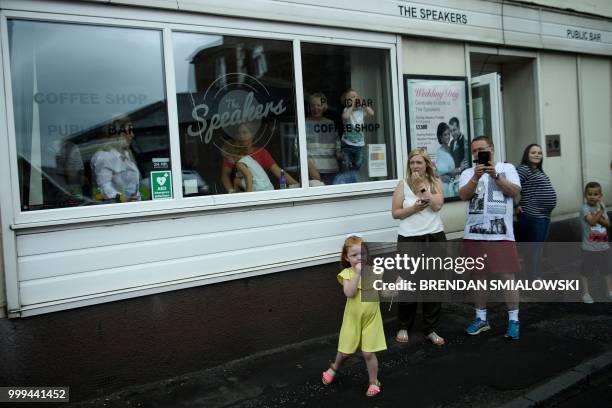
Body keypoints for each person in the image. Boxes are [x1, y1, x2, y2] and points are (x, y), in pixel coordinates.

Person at [458, 136, 522, 340]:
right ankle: (481, 318)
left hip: (501, 233)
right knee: (478, 278)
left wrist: (495, 175)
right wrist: (476, 178)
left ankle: (514, 320)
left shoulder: (507, 168)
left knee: (506, 277)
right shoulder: (468, 172)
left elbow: (514, 192)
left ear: (491, 149)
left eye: (481, 149)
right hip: (474, 233)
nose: (477, 154)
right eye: (474, 151)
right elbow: (463, 195)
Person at [391, 148, 446, 346]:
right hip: (409, 239)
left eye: (419, 163)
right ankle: (403, 325)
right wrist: (413, 208)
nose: (415, 166)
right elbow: (395, 213)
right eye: (412, 163)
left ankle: (430, 329)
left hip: (433, 237)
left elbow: (437, 205)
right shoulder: (402, 185)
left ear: (426, 165)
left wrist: (423, 188)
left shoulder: (435, 182)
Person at [321, 235, 386, 397]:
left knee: (368, 353)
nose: (359, 258)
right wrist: (357, 274)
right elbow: (349, 293)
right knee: (345, 352)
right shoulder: (346, 274)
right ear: (346, 257)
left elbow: (383, 292)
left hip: (372, 319)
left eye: (362, 254)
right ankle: (334, 368)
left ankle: (373, 381)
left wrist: (394, 290)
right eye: (354, 255)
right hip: (352, 320)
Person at [516, 144, 557, 280]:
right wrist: (515, 205)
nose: (537, 155)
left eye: (539, 152)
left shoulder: (538, 171)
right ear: (527, 154)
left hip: (544, 215)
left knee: (538, 248)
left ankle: (536, 275)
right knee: (534, 248)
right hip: (532, 214)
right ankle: (534, 277)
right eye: (533, 152)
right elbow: (511, 186)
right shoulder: (523, 169)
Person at [221, 122, 297, 193]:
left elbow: (279, 172)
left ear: (252, 135)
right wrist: (231, 192)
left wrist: (297, 185)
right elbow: (225, 176)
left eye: (244, 133)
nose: (241, 136)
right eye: (239, 133)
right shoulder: (232, 154)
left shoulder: (260, 153)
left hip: (257, 192)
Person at [91, 117, 141, 202]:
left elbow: (134, 185)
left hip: (134, 206)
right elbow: (105, 189)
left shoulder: (125, 153)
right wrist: (123, 198)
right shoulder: (103, 156)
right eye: (129, 131)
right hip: (116, 209)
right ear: (117, 135)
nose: (132, 135)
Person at [579, 182, 612, 303]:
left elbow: (608, 224)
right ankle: (585, 293)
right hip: (589, 248)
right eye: (589, 194)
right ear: (585, 195)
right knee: (586, 271)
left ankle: (609, 291)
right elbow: (592, 222)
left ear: (600, 196)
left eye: (595, 194)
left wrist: (600, 213)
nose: (592, 196)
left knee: (607, 270)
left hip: (603, 246)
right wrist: (600, 212)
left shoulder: (601, 206)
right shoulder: (584, 208)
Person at [304, 93, 340, 185]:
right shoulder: (304, 123)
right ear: (309, 107)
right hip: (313, 171)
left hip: (332, 170)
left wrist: (340, 155)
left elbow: (338, 144)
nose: (315, 108)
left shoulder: (331, 124)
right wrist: (310, 167)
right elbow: (298, 149)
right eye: (312, 105)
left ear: (324, 106)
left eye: (319, 105)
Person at [340, 88, 374, 172]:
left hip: (359, 145)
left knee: (359, 162)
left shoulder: (361, 110)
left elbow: (371, 113)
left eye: (356, 96)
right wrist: (351, 106)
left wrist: (365, 105)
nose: (355, 99)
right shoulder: (346, 110)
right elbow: (345, 116)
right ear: (346, 101)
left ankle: (353, 174)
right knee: (347, 164)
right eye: (351, 97)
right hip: (347, 144)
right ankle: (349, 175)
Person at [434, 122, 461, 197]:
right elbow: (444, 172)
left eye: (449, 134)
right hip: (445, 188)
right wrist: (458, 169)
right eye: (445, 134)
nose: (448, 136)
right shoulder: (439, 152)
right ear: (440, 137)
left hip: (456, 186)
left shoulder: (452, 148)